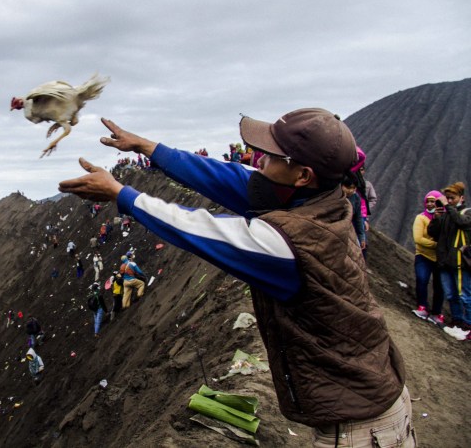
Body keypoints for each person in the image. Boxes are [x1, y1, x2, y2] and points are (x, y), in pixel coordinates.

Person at [59, 111, 413, 447]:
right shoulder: (319, 199)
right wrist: (148, 148)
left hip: (360, 427)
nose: (258, 160)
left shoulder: (290, 243)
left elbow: (200, 230)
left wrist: (122, 195)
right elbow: (225, 177)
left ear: (303, 175)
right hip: (368, 397)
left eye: (273, 156)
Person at [428, 182, 471, 333]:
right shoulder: (446, 214)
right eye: (447, 198)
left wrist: (449, 208)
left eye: (452, 198)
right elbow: (432, 232)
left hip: (460, 262)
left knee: (465, 296)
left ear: (462, 198)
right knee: (451, 294)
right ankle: (457, 320)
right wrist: (437, 217)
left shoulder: (467, 212)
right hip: (445, 262)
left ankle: (468, 324)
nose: (449, 201)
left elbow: (461, 222)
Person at [412, 190, 445, 324]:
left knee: (439, 286)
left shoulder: (444, 219)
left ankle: (437, 313)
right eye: (428, 201)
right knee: (422, 279)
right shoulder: (421, 218)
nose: (430, 204)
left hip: (440, 258)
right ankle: (422, 306)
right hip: (423, 255)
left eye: (434, 201)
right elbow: (418, 239)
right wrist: (438, 245)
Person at [342, 177, 366, 252]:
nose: (351, 191)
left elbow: (358, 218)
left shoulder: (355, 198)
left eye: (353, 188)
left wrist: (361, 237)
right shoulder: (334, 196)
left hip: (347, 230)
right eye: (348, 187)